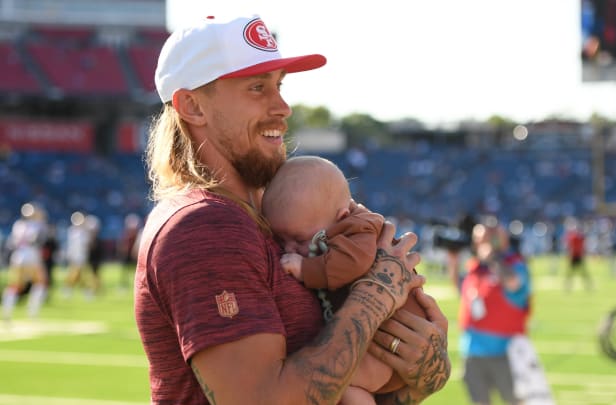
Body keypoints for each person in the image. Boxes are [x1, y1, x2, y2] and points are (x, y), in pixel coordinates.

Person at [134, 13, 450, 405]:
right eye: (257, 88)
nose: (283, 107)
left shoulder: (275, 215)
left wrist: (416, 376)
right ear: (193, 106)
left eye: (280, 85)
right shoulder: (206, 225)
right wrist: (376, 296)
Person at [261, 155, 426, 404]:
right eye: (282, 241)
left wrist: (306, 269)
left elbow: (351, 263)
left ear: (341, 215)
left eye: (300, 240)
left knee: (340, 380)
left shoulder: (360, 228)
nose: (290, 250)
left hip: (390, 346)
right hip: (381, 344)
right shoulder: (330, 223)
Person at [458, 223, 531, 405]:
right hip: (472, 350)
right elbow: (464, 293)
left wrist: (494, 259)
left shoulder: (515, 265)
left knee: (515, 401)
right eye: (477, 240)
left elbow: (514, 284)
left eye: (484, 240)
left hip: (506, 351)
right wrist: (452, 260)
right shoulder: (475, 267)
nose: (479, 244)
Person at [2, 202, 49, 322]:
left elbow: (13, 242)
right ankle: (32, 311)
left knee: (15, 286)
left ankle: (7, 312)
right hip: (31, 257)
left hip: (19, 257)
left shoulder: (18, 225)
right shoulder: (36, 225)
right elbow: (39, 238)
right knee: (40, 283)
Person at [564, 219, 592, 291]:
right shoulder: (576, 236)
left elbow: (570, 246)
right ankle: (569, 287)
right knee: (575, 273)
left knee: (579, 273)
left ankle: (569, 287)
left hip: (576, 256)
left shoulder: (574, 236)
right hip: (576, 256)